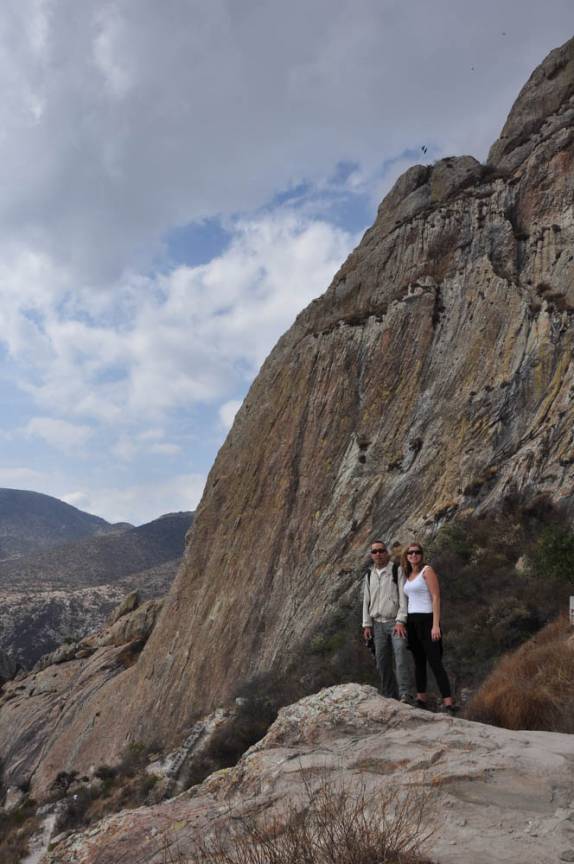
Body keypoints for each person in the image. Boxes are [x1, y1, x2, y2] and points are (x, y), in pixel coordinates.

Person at [401, 543, 456, 714]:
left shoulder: (427, 571)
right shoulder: (408, 574)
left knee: (435, 662)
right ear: (406, 556)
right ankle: (421, 699)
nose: (414, 555)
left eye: (417, 552)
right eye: (410, 552)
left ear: (422, 554)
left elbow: (436, 597)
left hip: (427, 620)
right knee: (418, 662)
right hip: (412, 621)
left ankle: (448, 703)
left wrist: (435, 625)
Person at [362, 540, 413, 703]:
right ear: (371, 555)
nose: (378, 554)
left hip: (395, 622)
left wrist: (401, 620)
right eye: (375, 551)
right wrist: (367, 625)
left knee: (400, 656)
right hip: (377, 624)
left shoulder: (396, 570)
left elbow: (403, 597)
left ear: (386, 552)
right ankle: (391, 696)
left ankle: (405, 694)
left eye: (381, 551)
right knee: (382, 662)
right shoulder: (369, 574)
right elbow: (366, 601)